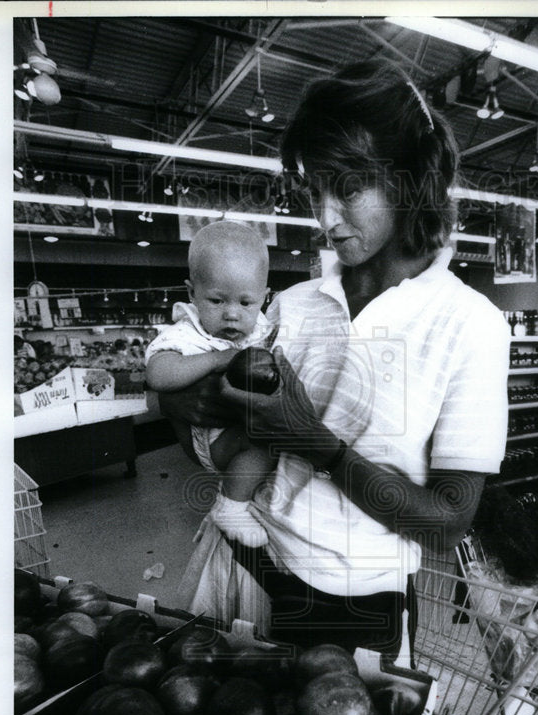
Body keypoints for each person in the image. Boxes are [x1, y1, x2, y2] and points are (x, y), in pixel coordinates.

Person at [158, 60, 510, 665]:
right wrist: (176, 400)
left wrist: (313, 442)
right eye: (313, 192)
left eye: (347, 188)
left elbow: (447, 523)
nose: (324, 219)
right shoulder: (292, 306)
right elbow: (213, 437)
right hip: (249, 561)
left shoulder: (470, 324)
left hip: (359, 603)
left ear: (410, 180)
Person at [145, 221, 275, 547]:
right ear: (192, 293)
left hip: (235, 432)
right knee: (267, 438)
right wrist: (216, 359)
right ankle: (231, 506)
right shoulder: (187, 333)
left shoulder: (264, 330)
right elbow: (158, 374)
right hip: (210, 439)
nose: (232, 314)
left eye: (245, 303)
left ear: (264, 297)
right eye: (217, 301)